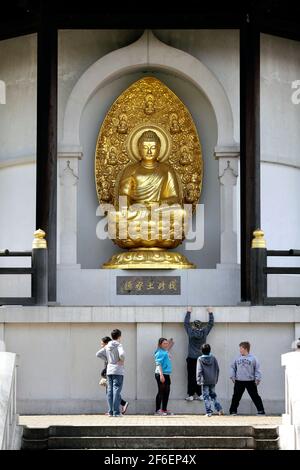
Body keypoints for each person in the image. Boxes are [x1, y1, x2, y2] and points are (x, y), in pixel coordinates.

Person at [184, 306, 214, 401]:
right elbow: (210, 324)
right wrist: (210, 312)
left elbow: (186, 323)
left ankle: (191, 395)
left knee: (191, 376)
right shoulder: (204, 332)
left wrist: (188, 312)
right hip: (201, 358)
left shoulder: (191, 332)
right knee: (200, 376)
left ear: (194, 326)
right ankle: (200, 394)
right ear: (201, 326)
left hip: (191, 357)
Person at [229, 341, 265, 416]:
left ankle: (261, 411)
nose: (240, 350)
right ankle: (233, 411)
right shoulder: (237, 358)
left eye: (241, 348)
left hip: (250, 381)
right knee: (236, 396)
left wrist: (258, 378)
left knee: (255, 396)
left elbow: (257, 369)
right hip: (239, 381)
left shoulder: (253, 358)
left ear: (245, 349)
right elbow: (233, 367)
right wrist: (232, 376)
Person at [96, 329, 125, 417]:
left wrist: (108, 360)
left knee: (109, 391)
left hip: (109, 370)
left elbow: (98, 354)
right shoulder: (119, 345)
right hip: (118, 370)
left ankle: (110, 411)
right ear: (119, 336)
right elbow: (122, 355)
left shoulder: (107, 345)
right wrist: (121, 360)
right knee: (116, 390)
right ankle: (116, 412)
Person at [196, 344, 223, 417]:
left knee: (206, 396)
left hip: (205, 381)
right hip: (212, 380)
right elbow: (217, 369)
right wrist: (216, 379)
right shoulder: (213, 358)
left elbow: (199, 370)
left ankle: (209, 412)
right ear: (210, 350)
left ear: (201, 351)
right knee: (213, 395)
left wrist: (198, 380)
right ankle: (219, 409)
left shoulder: (200, 359)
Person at [154, 337, 174, 416]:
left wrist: (170, 342)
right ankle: (157, 410)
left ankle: (164, 409)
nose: (166, 345)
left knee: (167, 392)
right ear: (160, 344)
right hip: (160, 374)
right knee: (161, 392)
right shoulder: (159, 352)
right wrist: (161, 375)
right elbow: (158, 364)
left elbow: (169, 346)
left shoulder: (165, 351)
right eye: (164, 343)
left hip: (167, 374)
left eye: (166, 343)